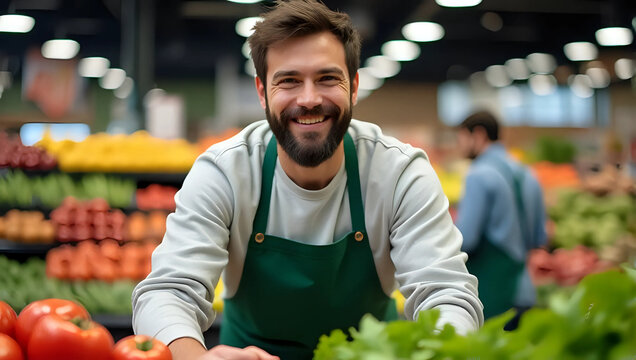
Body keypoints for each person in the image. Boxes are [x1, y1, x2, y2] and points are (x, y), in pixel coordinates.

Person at [132, 1, 483, 359]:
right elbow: (168, 292)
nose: (310, 98)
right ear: (262, 91)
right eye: (289, 81)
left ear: (354, 86)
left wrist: (440, 348)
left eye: (328, 78)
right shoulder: (225, 172)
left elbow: (446, 293)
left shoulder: (399, 173)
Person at [455, 110, 547, 327]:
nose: (459, 145)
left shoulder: (478, 175)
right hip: (524, 289)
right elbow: (539, 237)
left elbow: (465, 240)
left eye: (461, 138)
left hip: (491, 294)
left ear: (478, 135)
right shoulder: (527, 173)